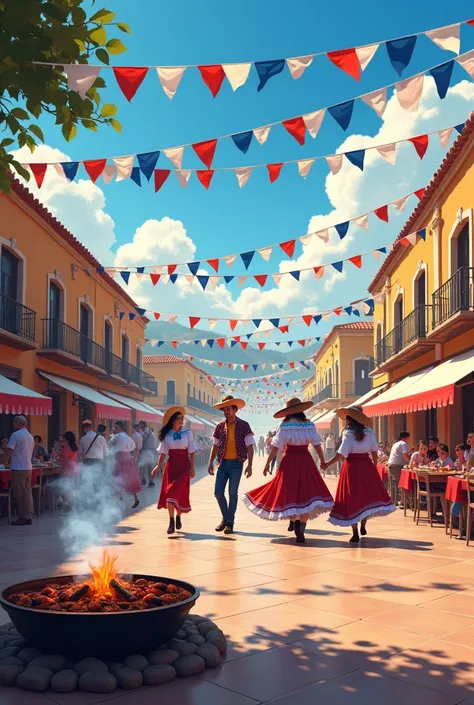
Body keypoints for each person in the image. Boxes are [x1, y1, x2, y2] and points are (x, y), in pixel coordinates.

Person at [243, 398, 333, 544]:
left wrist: (267, 464)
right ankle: (301, 527)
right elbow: (317, 445)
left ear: (288, 412)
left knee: (290, 492)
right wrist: (322, 461)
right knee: (305, 493)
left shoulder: (284, 426)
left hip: (289, 461)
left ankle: (295, 523)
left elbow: (276, 447)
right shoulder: (309, 425)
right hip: (305, 461)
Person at [324, 406, 396, 543]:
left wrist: (328, 463)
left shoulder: (348, 433)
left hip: (351, 467)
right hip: (366, 466)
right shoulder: (369, 432)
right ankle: (363, 523)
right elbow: (374, 451)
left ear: (350, 419)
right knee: (366, 496)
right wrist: (374, 466)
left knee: (352, 498)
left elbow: (342, 453)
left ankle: (355, 532)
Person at [208, 395, 254, 535]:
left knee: (232, 493)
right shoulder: (220, 426)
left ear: (235, 409)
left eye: (228, 409)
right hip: (222, 463)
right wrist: (210, 462)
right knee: (218, 493)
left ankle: (229, 523)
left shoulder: (244, 425)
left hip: (236, 464)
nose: (226, 412)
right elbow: (215, 446)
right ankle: (226, 518)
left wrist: (250, 465)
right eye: (224, 409)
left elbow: (250, 446)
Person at [152, 406, 197, 535]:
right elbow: (163, 453)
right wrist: (158, 466)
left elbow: (192, 451)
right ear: (172, 420)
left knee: (179, 493)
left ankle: (178, 516)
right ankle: (171, 522)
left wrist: (192, 467)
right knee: (170, 494)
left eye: (182, 418)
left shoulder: (188, 433)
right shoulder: (167, 436)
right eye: (179, 418)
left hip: (184, 467)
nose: (181, 420)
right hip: (171, 467)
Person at [1, 416, 35, 526]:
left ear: (18, 423)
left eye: (14, 422)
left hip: (19, 468)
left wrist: (1, 462)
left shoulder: (15, 435)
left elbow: (8, 451)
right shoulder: (30, 436)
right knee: (28, 492)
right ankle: (29, 515)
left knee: (19, 493)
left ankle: (22, 516)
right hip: (28, 467)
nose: (13, 424)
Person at [109, 421, 140, 509]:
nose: (114, 429)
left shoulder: (116, 436)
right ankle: (135, 498)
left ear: (118, 427)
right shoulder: (128, 437)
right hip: (128, 457)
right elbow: (133, 447)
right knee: (131, 479)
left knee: (117, 477)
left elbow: (109, 446)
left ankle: (119, 499)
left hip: (119, 458)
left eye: (115, 427)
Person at [387, 431, 411, 505]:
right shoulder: (403, 444)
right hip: (397, 466)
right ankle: (397, 501)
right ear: (406, 438)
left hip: (392, 465)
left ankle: (395, 501)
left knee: (394, 484)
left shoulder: (396, 443)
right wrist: (410, 462)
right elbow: (405, 455)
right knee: (397, 484)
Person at [138, 421, 158, 487]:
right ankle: (151, 481)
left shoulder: (142, 433)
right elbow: (155, 442)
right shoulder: (151, 432)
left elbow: (140, 443)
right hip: (151, 451)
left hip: (145, 450)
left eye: (140, 425)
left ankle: (143, 479)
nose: (139, 426)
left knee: (142, 466)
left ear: (143, 425)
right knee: (150, 467)